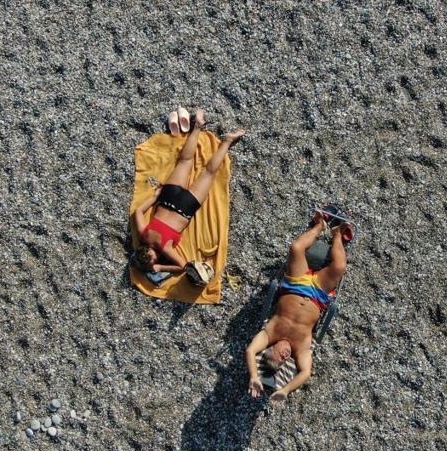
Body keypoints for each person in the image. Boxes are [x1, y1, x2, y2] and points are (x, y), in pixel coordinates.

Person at [245, 212, 352, 405]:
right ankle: (336, 234)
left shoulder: (270, 334)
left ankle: (319, 226)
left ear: (271, 349)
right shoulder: (300, 348)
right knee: (340, 267)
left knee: (295, 248)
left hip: (295, 285)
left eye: (279, 356)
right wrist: (285, 390)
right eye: (284, 361)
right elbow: (305, 373)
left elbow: (251, 351)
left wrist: (254, 376)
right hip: (318, 295)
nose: (285, 357)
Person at [133, 109, 245, 273]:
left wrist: (159, 267)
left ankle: (227, 141)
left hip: (185, 208)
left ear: (153, 257)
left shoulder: (166, 249)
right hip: (167, 199)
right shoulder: (144, 234)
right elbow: (138, 212)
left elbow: (184, 266)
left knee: (209, 173)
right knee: (185, 161)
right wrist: (155, 197)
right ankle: (197, 126)